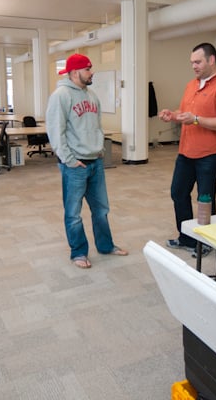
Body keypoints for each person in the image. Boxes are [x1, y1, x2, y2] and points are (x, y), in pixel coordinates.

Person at [45, 53, 128, 269]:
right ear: (75, 72)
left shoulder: (91, 95)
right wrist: (69, 160)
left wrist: (100, 149)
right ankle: (79, 252)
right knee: (73, 213)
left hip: (95, 162)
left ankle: (105, 246)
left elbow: (97, 126)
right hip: (75, 165)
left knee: (101, 209)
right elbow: (55, 131)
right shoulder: (60, 96)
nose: (92, 73)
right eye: (88, 69)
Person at [159, 42, 216, 256]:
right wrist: (173, 115)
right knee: (178, 192)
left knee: (205, 199)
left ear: (211, 60)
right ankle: (186, 238)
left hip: (210, 153)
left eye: (198, 62)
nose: (193, 66)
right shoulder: (191, 85)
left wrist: (196, 119)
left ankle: (206, 241)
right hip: (186, 150)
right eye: (192, 62)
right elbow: (186, 113)